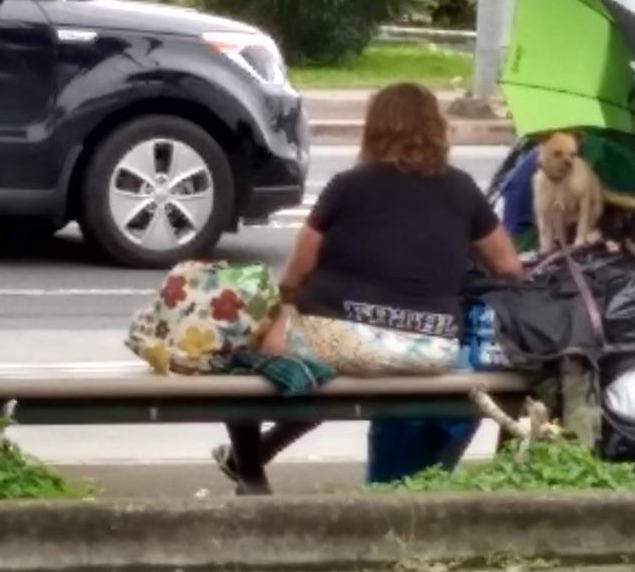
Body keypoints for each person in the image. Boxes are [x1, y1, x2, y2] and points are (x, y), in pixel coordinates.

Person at [213, 82, 524, 494]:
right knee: (334, 364)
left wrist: (282, 307)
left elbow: (298, 270)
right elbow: (509, 266)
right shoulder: (462, 188)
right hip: (431, 349)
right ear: (435, 129)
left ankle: (251, 472)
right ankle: (257, 455)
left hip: (343, 338)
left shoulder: (348, 185)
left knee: (239, 355)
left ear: (375, 129)